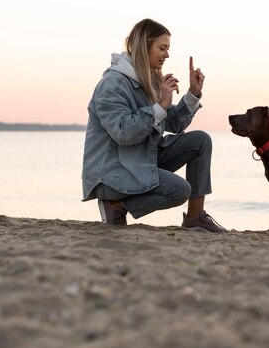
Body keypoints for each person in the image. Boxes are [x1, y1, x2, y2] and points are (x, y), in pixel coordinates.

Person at [82, 18, 227, 233]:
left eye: (168, 48)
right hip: (112, 173)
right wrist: (160, 106)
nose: (167, 55)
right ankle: (116, 206)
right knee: (179, 190)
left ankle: (195, 218)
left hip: (139, 159)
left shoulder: (149, 79)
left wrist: (192, 94)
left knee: (200, 141)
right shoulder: (112, 84)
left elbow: (174, 123)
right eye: (162, 48)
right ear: (143, 46)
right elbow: (123, 133)